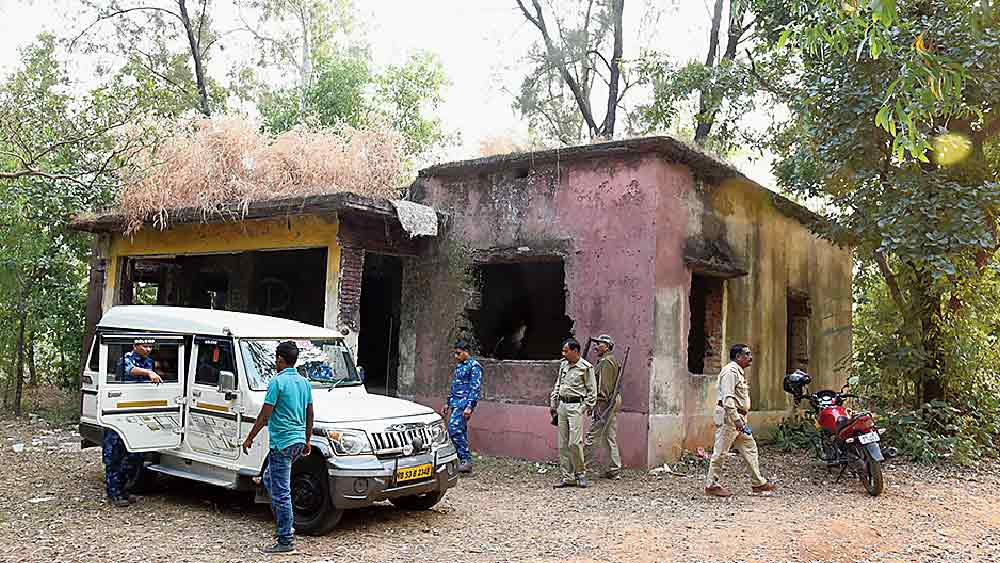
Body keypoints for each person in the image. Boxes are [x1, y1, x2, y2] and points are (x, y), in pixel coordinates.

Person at [242, 341, 314, 555]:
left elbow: (265, 415)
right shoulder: (304, 382)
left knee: (281, 493)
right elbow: (310, 413)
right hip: (297, 441)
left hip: (282, 443)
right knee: (268, 479)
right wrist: (307, 439)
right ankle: (285, 522)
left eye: (276, 359)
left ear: (280, 360)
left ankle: (285, 538)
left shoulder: (277, 382)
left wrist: (249, 438)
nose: (275, 362)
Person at [705, 344, 776, 497]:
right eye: (747, 354)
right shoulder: (730, 372)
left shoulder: (738, 372)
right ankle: (711, 485)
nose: (750, 357)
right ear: (738, 357)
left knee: (749, 447)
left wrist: (740, 419)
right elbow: (728, 399)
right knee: (721, 452)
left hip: (738, 417)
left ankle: (758, 482)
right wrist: (736, 419)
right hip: (730, 417)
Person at [103, 342, 163, 507]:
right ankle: (113, 493)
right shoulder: (126, 359)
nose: (148, 350)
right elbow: (130, 370)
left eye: (150, 347)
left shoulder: (149, 362)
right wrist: (148, 372)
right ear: (135, 345)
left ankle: (123, 490)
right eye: (145, 346)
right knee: (115, 455)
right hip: (119, 411)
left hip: (138, 411)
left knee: (134, 456)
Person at [550, 338, 596, 488]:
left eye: (566, 351)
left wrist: (583, 408)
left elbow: (592, 391)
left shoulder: (586, 367)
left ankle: (580, 474)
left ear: (575, 351)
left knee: (575, 443)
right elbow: (559, 383)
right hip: (562, 405)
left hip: (576, 405)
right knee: (563, 444)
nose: (563, 354)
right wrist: (554, 402)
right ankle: (567, 477)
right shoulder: (563, 365)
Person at [584, 334, 622, 479]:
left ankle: (584, 468)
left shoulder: (606, 362)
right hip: (612, 401)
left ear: (606, 346)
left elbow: (603, 388)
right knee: (609, 436)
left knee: (593, 435)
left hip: (606, 402)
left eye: (599, 344)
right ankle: (613, 469)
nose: (596, 347)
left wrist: (598, 406)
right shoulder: (610, 360)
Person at [442, 339, 482, 473]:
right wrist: (447, 403)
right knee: (461, 431)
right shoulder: (460, 366)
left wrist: (470, 406)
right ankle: (464, 462)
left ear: (466, 352)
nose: (456, 356)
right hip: (455, 403)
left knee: (453, 430)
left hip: (464, 404)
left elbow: (475, 389)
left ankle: (465, 459)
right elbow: (454, 386)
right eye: (455, 353)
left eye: (458, 353)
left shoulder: (474, 367)